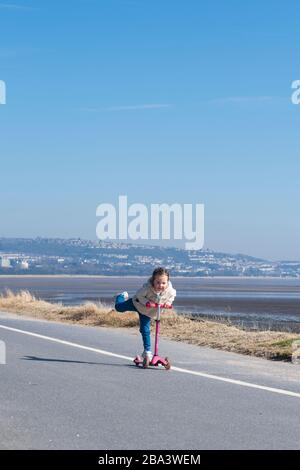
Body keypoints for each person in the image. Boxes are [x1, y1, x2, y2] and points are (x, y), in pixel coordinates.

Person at [114, 267, 176, 366]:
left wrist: (168, 303)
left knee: (145, 329)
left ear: (167, 282)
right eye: (158, 282)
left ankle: (147, 352)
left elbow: (172, 296)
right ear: (153, 281)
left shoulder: (170, 290)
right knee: (118, 308)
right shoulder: (147, 288)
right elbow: (139, 295)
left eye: (163, 283)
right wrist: (147, 302)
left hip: (149, 312)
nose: (161, 285)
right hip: (138, 304)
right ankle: (120, 296)